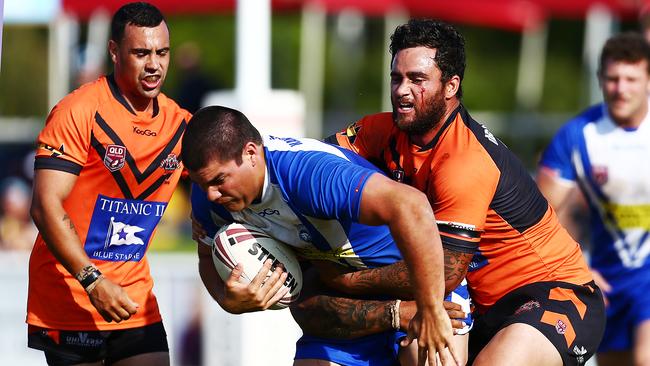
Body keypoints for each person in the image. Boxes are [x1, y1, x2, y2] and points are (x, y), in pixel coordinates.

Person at [327, 19, 606, 366]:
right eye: (396, 77)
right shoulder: (378, 131)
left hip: (554, 295)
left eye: (417, 79)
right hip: (478, 306)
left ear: (450, 86)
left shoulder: (464, 160)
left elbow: (443, 273)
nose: (401, 90)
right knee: (419, 354)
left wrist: (346, 281)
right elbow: (311, 164)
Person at [183, 105, 461, 366]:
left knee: (425, 355)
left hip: (420, 285)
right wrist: (226, 300)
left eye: (219, 180)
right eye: (201, 184)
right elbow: (207, 255)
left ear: (252, 153)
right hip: (343, 301)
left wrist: (430, 308)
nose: (210, 195)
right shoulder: (209, 194)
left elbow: (412, 205)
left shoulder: (306, 174)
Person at [26, 2, 192, 365]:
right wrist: (93, 280)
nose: (154, 65)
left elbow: (227, 184)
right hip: (72, 296)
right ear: (114, 51)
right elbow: (44, 205)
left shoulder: (181, 125)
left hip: (134, 300)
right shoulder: (79, 110)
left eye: (162, 52)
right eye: (141, 53)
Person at [537, 32, 650, 366]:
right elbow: (540, 217)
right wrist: (575, 266)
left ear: (648, 81)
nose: (621, 88)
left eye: (631, 79)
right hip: (607, 277)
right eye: (613, 78)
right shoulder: (577, 135)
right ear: (600, 79)